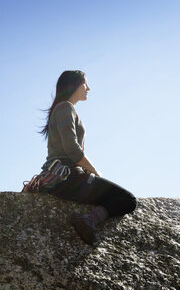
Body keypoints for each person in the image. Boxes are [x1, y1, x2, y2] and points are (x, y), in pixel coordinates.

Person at [38, 70, 137, 245]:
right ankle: (88, 220)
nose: (89, 88)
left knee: (119, 197)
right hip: (69, 177)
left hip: (61, 178)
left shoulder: (63, 108)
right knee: (128, 200)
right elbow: (72, 150)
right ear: (74, 85)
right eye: (85, 83)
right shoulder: (65, 107)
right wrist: (95, 172)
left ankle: (89, 219)